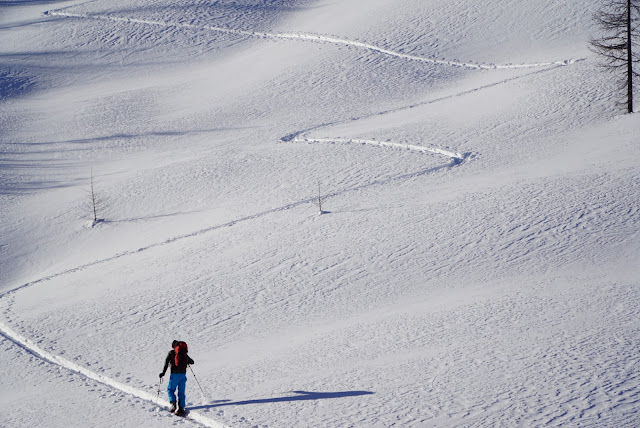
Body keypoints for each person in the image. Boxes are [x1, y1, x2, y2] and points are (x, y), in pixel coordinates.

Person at [159, 340, 194, 416]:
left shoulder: (171, 353)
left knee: (170, 390)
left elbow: (166, 363)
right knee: (181, 392)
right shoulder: (184, 353)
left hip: (174, 375)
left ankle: (173, 404)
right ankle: (181, 408)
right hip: (183, 375)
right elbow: (192, 362)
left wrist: (163, 373)